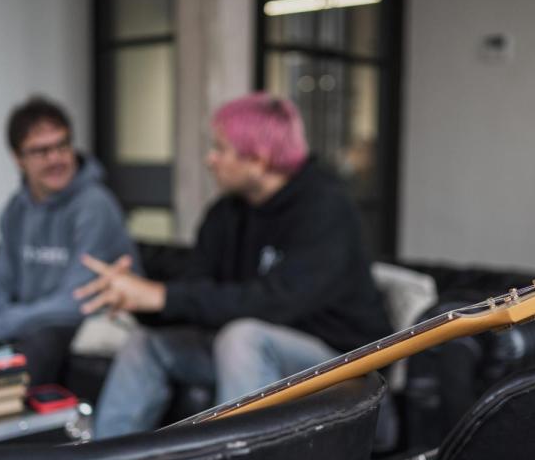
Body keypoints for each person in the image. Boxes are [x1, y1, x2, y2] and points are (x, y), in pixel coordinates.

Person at [76, 92, 391, 438]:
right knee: (146, 343)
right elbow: (197, 294)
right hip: (254, 360)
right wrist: (142, 301)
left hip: (346, 373)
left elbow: (276, 303)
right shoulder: (225, 214)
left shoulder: (326, 209)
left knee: (242, 337)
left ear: (259, 158)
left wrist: (164, 296)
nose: (210, 159)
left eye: (220, 148)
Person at [0, 96, 140, 386]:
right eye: (41, 151)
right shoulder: (16, 208)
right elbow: (1, 279)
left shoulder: (95, 206)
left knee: (40, 342)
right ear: (18, 158)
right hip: (40, 317)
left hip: (89, 317)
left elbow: (77, 301)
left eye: (62, 146)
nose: (56, 159)